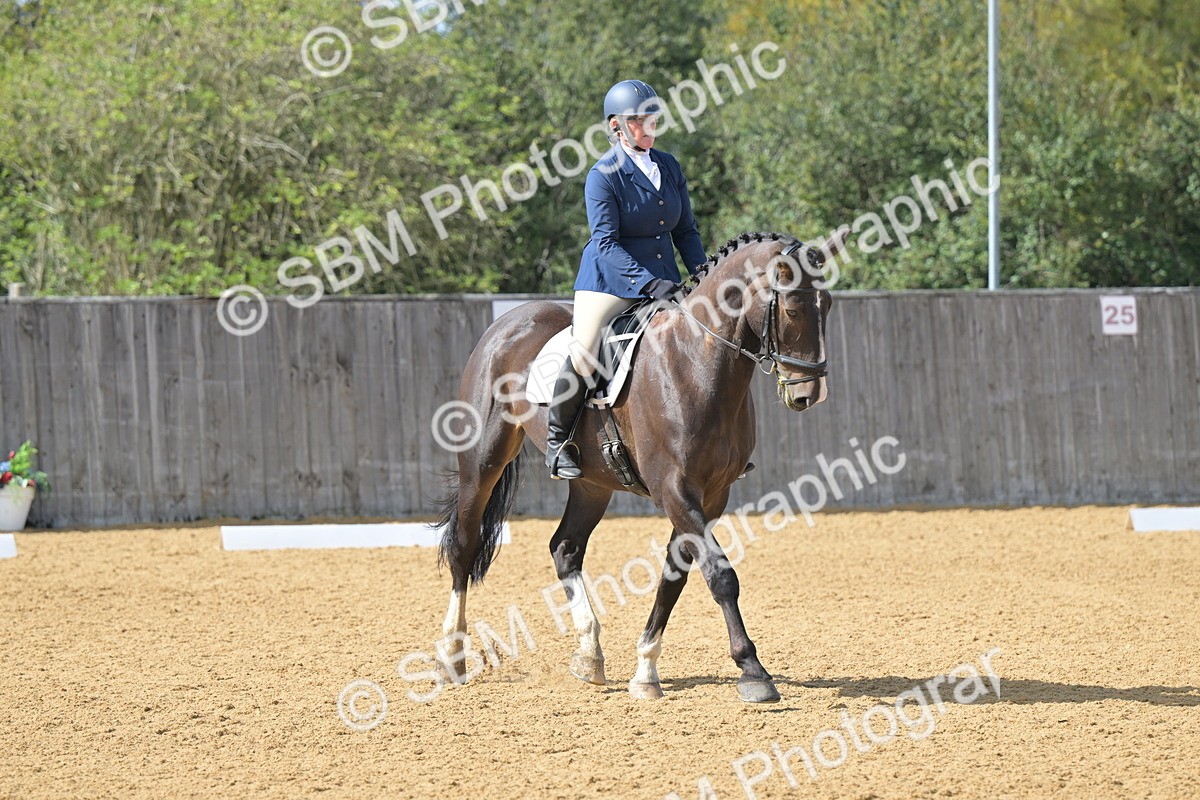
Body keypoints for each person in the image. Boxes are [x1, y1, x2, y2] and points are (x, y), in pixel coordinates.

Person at [545, 79, 709, 479]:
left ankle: (713, 444)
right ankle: (557, 440)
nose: (647, 126)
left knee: (709, 340)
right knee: (585, 350)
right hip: (610, 282)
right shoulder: (603, 175)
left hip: (666, 281)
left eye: (652, 117)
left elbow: (685, 230)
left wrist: (703, 276)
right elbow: (605, 242)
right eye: (637, 120)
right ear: (616, 126)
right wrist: (646, 283)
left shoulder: (668, 166)